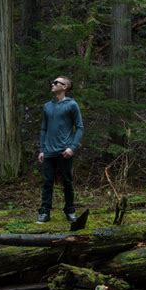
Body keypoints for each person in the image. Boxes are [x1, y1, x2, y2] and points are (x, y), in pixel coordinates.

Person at [37, 76, 84, 223]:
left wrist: (72, 147)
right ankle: (44, 212)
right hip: (49, 151)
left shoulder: (72, 105)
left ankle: (70, 210)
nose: (53, 84)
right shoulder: (47, 106)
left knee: (67, 182)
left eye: (57, 82)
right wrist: (42, 149)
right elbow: (44, 129)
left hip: (65, 151)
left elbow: (80, 127)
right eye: (53, 82)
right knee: (47, 182)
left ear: (65, 87)